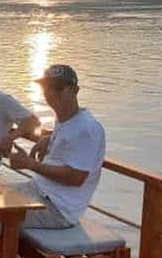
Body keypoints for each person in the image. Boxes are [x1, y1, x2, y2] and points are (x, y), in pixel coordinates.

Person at [8, 64, 105, 229]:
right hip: (38, 189)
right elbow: (69, 137)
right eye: (47, 88)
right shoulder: (65, 119)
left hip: (58, 209)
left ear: (75, 90)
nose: (51, 93)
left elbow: (76, 177)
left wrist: (30, 164)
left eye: (58, 88)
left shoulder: (88, 128)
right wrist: (49, 137)